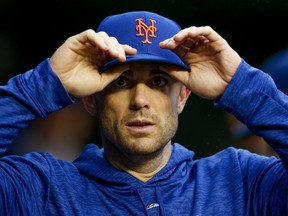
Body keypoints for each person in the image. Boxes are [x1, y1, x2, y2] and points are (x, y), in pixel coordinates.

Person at [0, 10, 287, 215]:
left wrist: (241, 86)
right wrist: (43, 84)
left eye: (157, 81)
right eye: (121, 82)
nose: (139, 100)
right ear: (91, 100)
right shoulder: (39, 188)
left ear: (182, 97)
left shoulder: (243, 180)